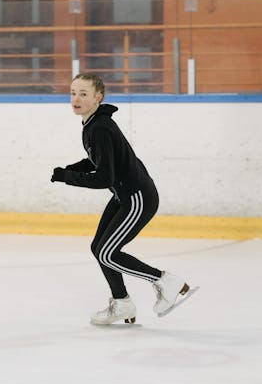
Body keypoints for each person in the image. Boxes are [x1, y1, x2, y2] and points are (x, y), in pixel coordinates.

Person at [51, 73, 198, 325]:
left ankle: (166, 281)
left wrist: (68, 177)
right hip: (124, 196)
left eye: (83, 94)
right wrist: (71, 169)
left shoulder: (99, 127)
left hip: (137, 198)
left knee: (107, 253)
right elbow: (101, 161)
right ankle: (122, 304)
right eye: (73, 93)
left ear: (98, 97)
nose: (76, 99)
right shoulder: (93, 123)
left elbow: (103, 178)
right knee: (99, 248)